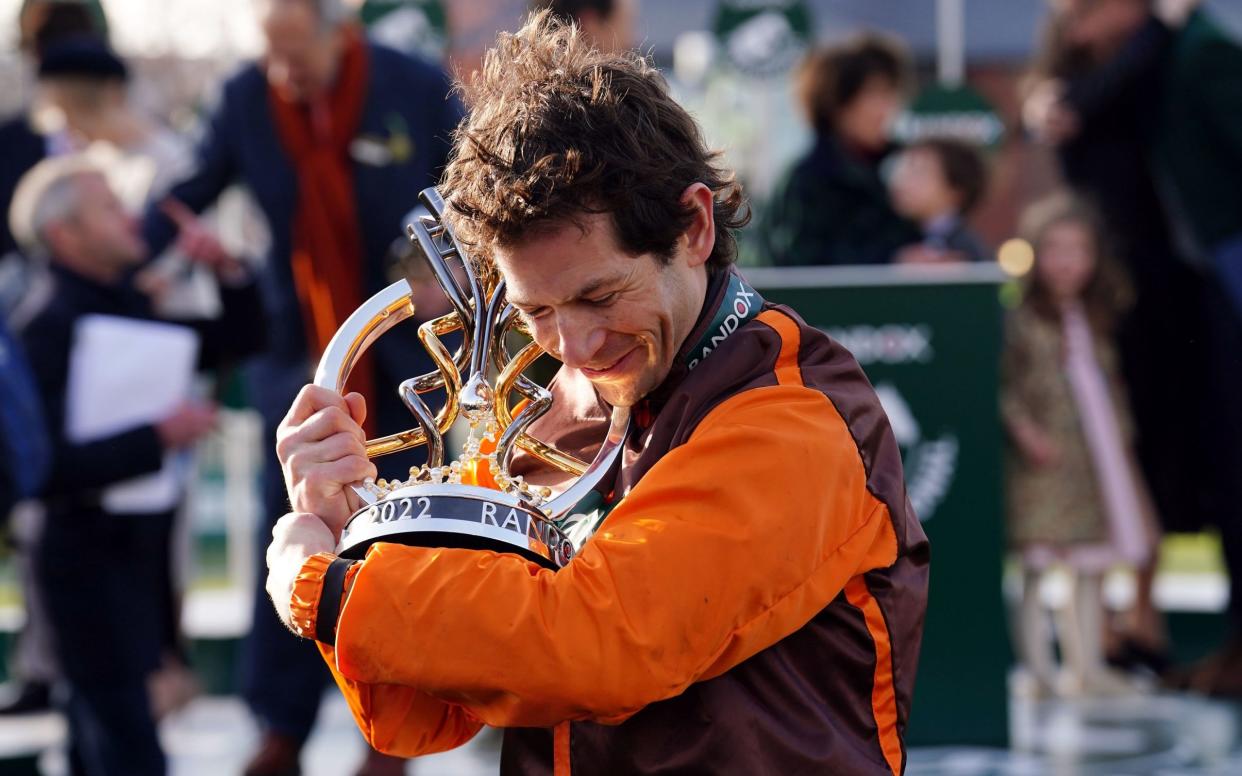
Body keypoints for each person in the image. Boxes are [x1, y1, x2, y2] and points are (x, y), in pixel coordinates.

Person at [266, 13, 929, 774]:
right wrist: (343, 521)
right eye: (535, 311)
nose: (573, 347)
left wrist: (331, 587)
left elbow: (597, 645)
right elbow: (428, 708)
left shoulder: (796, 417)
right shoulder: (568, 403)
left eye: (599, 295)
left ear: (695, 229)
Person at [137, 1, 461, 771]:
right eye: (272, 54)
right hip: (300, 363)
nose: (286, 71)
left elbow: (475, 188)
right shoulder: (247, 97)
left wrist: (456, 268)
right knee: (291, 535)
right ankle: (279, 729)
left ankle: (399, 737)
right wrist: (128, 260)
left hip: (409, 361)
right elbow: (189, 190)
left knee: (410, 534)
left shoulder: (414, 85)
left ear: (338, 29)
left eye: (297, 52)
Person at [9, 153, 265, 776]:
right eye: (108, 207)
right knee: (124, 745)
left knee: (100, 743)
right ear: (65, 234)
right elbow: (38, 470)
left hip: (131, 557)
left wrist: (227, 271)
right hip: (79, 560)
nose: (130, 219)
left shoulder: (125, 299)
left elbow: (236, 341)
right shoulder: (45, 324)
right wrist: (158, 436)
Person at [1001, 194, 1158, 698]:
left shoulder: (1094, 319)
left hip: (1094, 456)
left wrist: (1123, 438)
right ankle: (1037, 670)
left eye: (1078, 249)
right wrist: (1025, 431)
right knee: (1037, 560)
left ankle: (1086, 666)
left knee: (1090, 560)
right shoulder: (1021, 320)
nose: (1066, 262)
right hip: (1044, 462)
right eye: (1054, 248)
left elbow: (1108, 384)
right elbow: (1004, 385)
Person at [759, 32, 919, 266]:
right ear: (836, 102)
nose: (886, 108)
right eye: (874, 94)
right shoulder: (806, 180)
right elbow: (797, 264)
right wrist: (892, 261)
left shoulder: (910, 166)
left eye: (890, 93)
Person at [887, 137, 992, 264]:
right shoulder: (896, 238)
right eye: (903, 170)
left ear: (955, 191)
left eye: (920, 173)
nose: (903, 182)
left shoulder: (966, 251)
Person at [530, 0, 635, 52]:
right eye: (627, 22)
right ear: (590, 23)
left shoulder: (529, 89)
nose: (630, 39)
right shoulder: (621, 91)